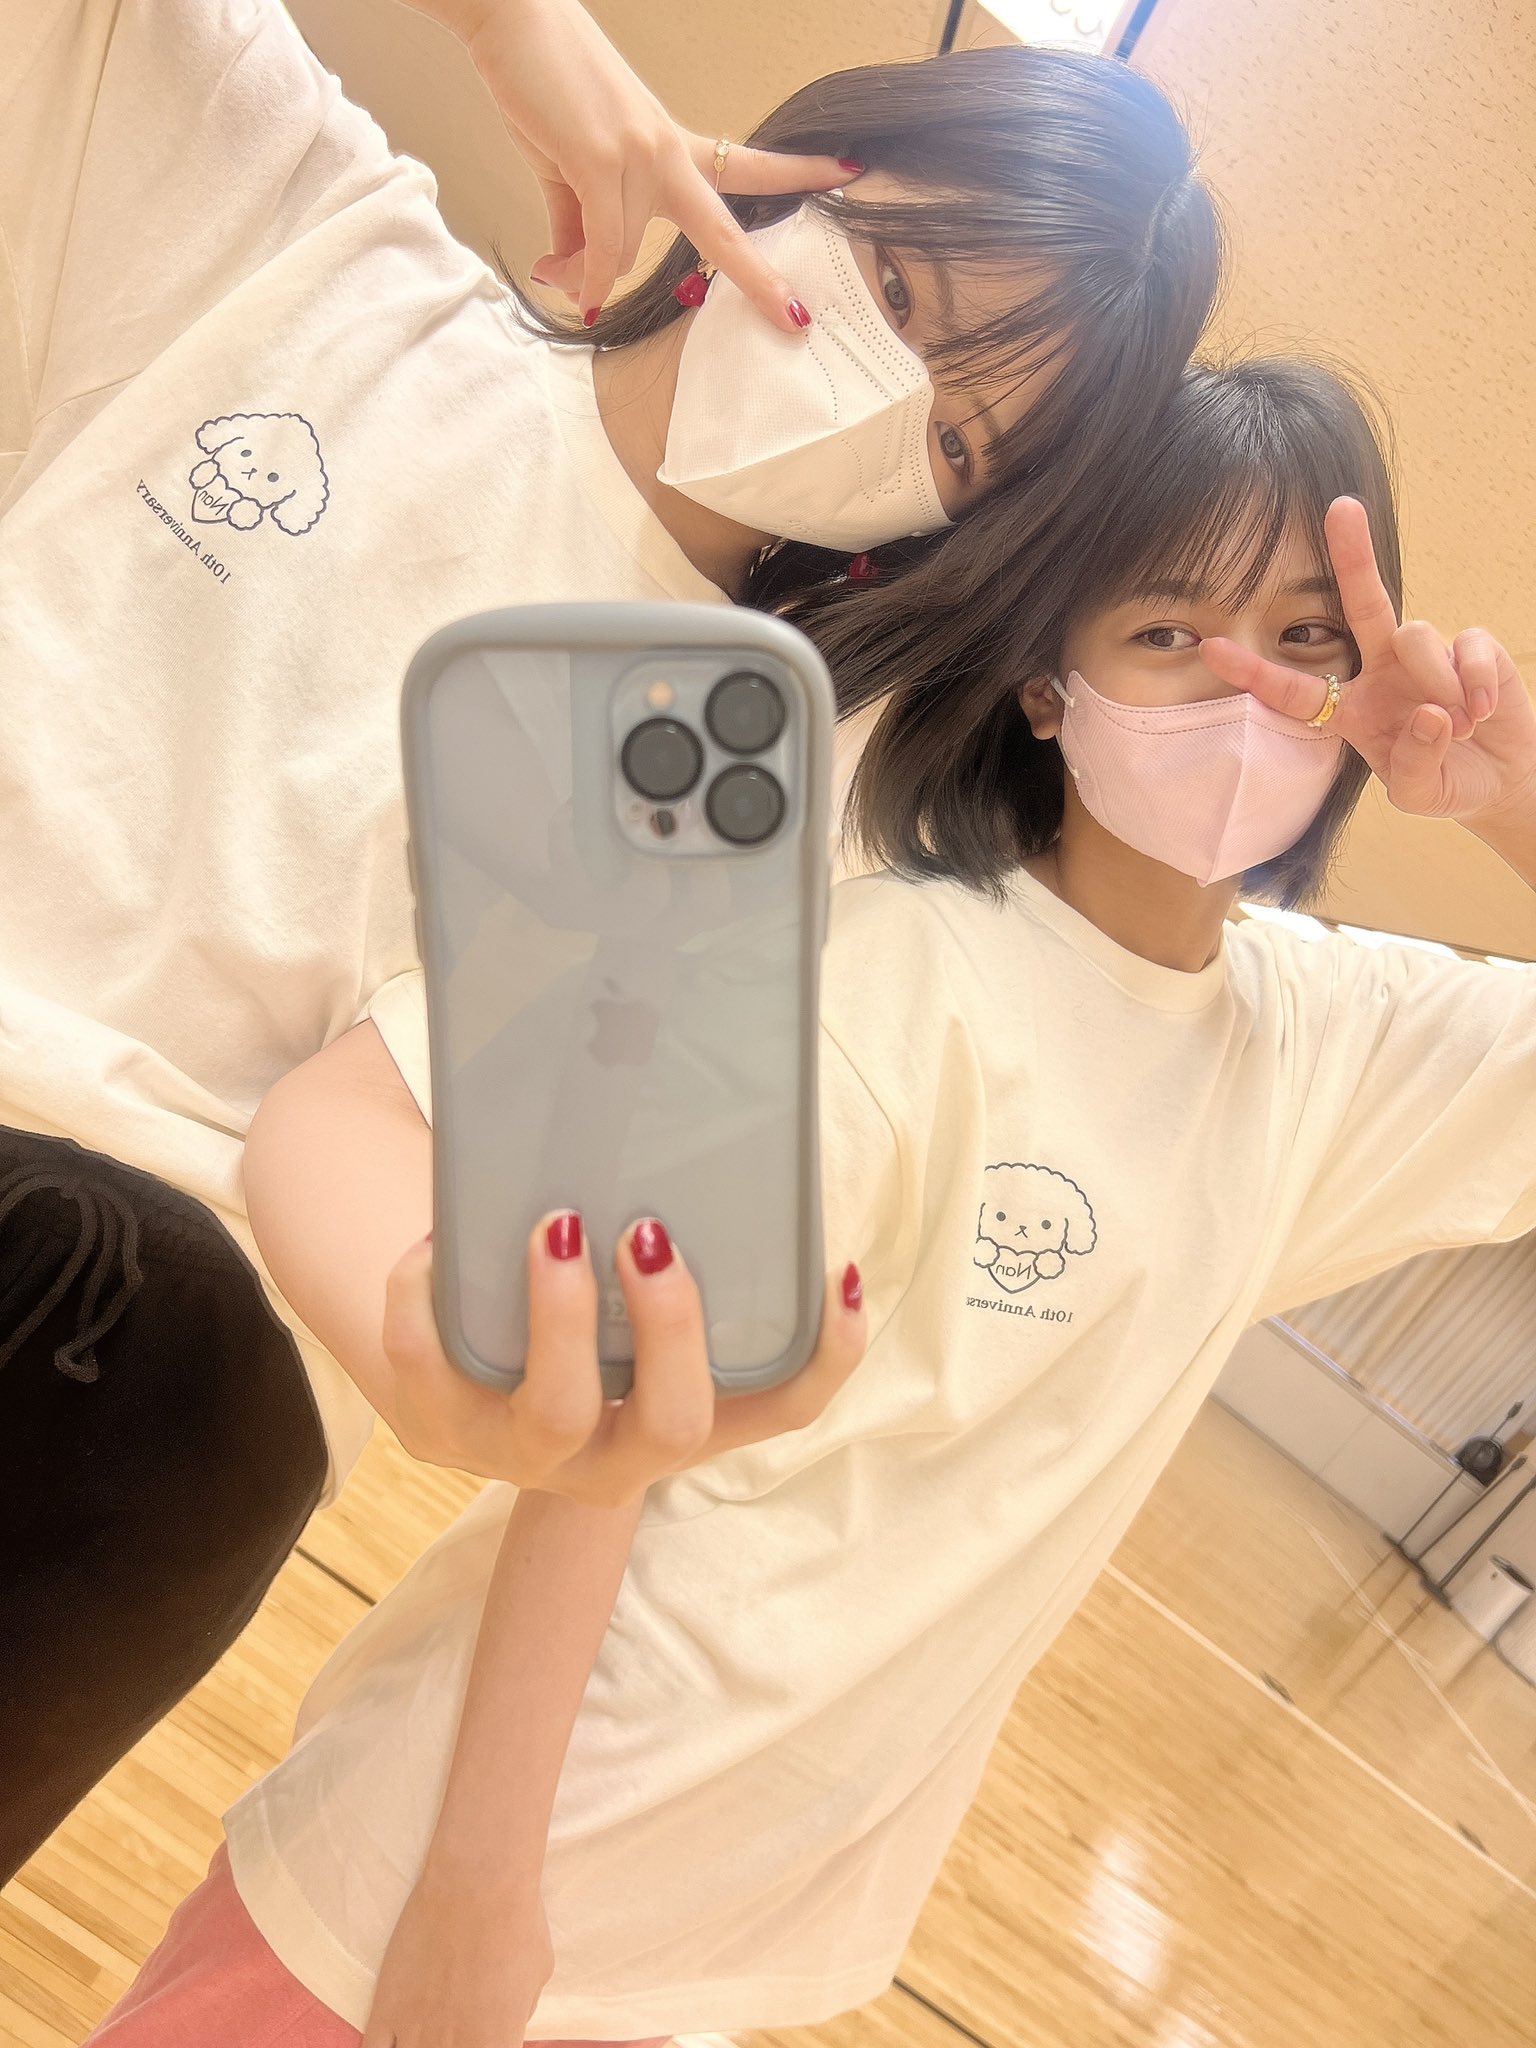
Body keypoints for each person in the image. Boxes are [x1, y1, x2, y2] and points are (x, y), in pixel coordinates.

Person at [85, 356, 1536, 2048]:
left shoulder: (1328, 1042)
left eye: (1302, 637)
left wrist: (1511, 796)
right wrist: (476, 1888)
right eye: (1167, 631)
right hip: (453, 1888)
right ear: (1049, 684)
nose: (1241, 691)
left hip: (708, 1941)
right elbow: (620, 1432)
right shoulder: (892, 985)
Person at [0, 0, 1221, 1876]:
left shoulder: (737, 786)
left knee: (190, 1394)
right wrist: (518, 26)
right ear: (817, 164)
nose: (878, 393)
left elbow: (372, 1117)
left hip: (134, 1316)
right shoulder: (310, 235)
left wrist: (439, 1343)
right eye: (899, 284)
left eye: (962, 445)